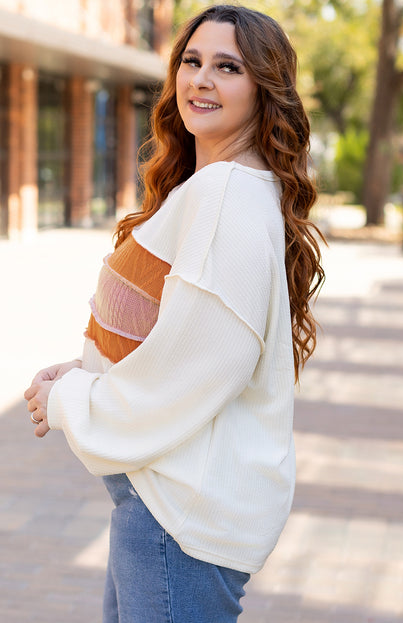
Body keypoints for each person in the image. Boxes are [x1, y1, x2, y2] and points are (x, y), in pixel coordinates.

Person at [24, 5, 325, 622]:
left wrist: (71, 399)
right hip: (164, 510)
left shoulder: (229, 197)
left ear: (263, 89)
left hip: (178, 522)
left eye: (227, 67)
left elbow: (189, 374)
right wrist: (87, 369)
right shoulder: (219, 187)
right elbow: (181, 338)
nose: (201, 80)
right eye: (191, 61)